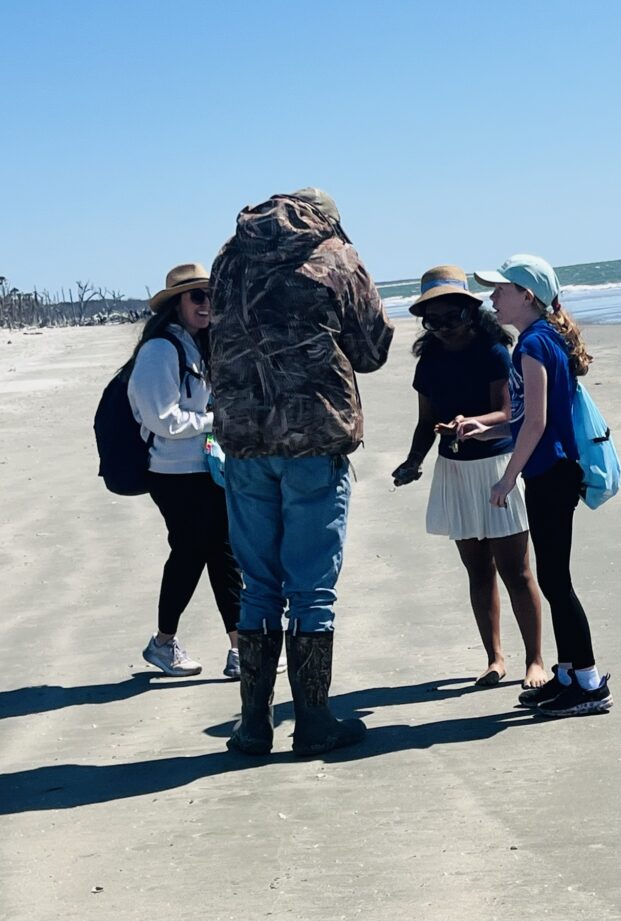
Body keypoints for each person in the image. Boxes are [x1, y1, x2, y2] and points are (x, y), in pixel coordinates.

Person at [209, 188, 394, 757]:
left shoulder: (228, 257)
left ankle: (253, 726)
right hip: (313, 436)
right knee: (311, 588)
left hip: (243, 439)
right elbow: (372, 350)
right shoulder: (337, 256)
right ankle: (313, 722)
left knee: (259, 586)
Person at [460, 255, 613, 717]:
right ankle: (566, 675)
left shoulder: (533, 344)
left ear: (527, 296)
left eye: (500, 291)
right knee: (551, 578)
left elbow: (539, 422)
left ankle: (587, 681)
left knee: (556, 581)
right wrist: (482, 430)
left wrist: (506, 478)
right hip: (552, 471)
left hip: (552, 473)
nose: (492, 298)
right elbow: (526, 417)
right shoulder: (541, 338)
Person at [392, 265, 547, 689]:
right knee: (477, 571)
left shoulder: (493, 350)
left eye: (451, 318)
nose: (442, 328)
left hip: (498, 466)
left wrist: (471, 421)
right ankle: (495, 659)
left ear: (470, 311)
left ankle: (535, 660)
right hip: (454, 470)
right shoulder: (430, 359)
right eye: (432, 321)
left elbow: (509, 414)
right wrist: (413, 462)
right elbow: (426, 421)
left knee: (515, 570)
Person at [127, 263, 242, 678]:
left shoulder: (197, 345)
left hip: (204, 469)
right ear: (175, 304)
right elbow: (163, 420)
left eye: (211, 295)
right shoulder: (160, 350)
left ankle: (233, 647)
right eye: (196, 296)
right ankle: (169, 642)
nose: (206, 304)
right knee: (200, 552)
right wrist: (215, 420)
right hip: (173, 475)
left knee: (215, 552)